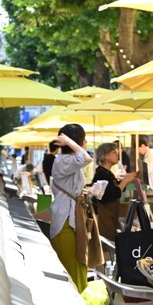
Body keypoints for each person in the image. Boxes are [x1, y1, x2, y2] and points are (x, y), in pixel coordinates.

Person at [49, 124, 93, 293]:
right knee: (72, 271)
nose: (86, 142)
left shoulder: (68, 161)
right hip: (65, 222)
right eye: (84, 139)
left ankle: (83, 301)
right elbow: (86, 158)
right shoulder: (62, 160)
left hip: (73, 221)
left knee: (79, 265)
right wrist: (69, 141)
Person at [91, 143, 138, 240]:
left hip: (111, 215)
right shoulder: (101, 173)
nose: (118, 155)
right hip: (104, 217)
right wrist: (125, 180)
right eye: (114, 152)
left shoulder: (107, 173)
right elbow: (112, 194)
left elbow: (116, 188)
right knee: (107, 243)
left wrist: (126, 180)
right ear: (106, 156)